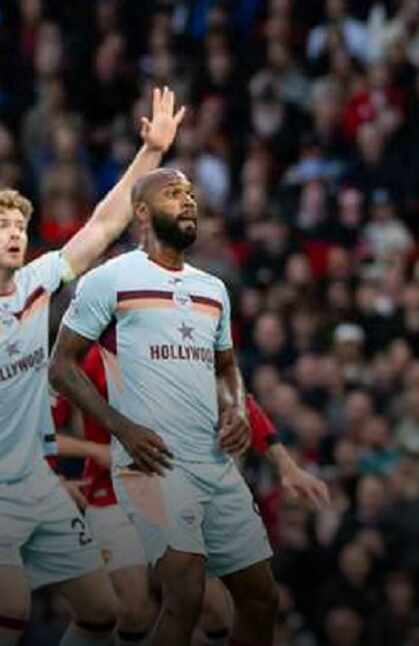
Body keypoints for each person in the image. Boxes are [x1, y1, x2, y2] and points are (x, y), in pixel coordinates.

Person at [49, 167, 278, 646]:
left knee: (261, 600)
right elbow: (61, 367)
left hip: (213, 463)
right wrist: (122, 429)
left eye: (191, 193)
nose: (189, 201)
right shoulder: (109, 279)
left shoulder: (213, 289)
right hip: (150, 461)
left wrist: (235, 409)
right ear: (141, 213)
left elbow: (227, 367)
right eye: (173, 194)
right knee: (185, 594)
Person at [0, 87, 184, 646]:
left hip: (40, 483)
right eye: (2, 226)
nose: (13, 234)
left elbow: (103, 226)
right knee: (10, 614)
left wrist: (150, 153)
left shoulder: (33, 286)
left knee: (104, 615)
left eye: (18, 227)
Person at [52, 344, 329, 646]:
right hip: (110, 494)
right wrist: (83, 456)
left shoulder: (175, 341)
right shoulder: (87, 355)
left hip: (177, 489)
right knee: (133, 610)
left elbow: (237, 403)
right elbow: (35, 425)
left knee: (215, 610)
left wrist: (286, 465)